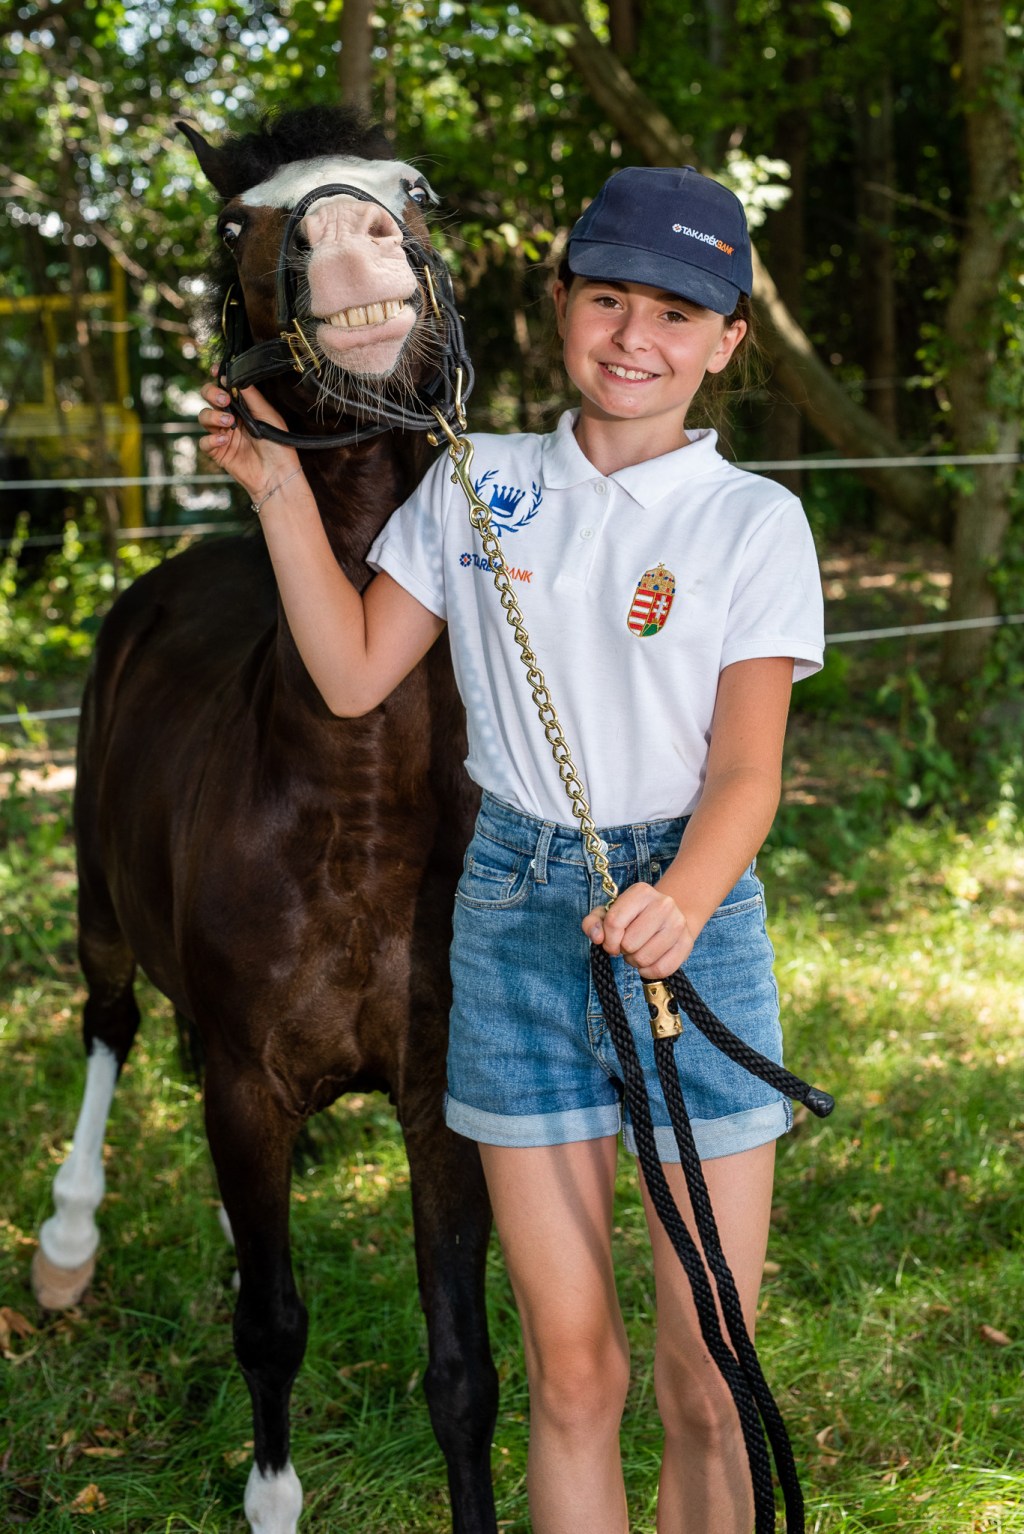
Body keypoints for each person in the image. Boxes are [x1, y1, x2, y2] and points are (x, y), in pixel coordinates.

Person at [199, 163, 824, 1534]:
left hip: (690, 927)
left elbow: (747, 767)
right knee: (573, 1367)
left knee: (708, 1377)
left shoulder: (751, 522)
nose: (634, 337)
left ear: (725, 340)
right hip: (517, 923)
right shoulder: (480, 489)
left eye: (677, 312)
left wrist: (684, 895)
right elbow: (357, 673)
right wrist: (278, 492)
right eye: (608, 298)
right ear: (559, 307)